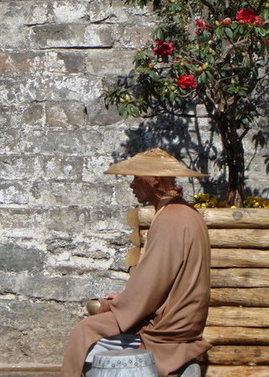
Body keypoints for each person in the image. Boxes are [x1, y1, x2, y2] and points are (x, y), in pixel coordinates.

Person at [61, 148, 212, 377]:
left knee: (85, 331)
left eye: (137, 178)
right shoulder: (185, 213)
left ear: (155, 180)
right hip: (183, 320)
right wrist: (123, 300)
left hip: (167, 330)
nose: (132, 185)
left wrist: (112, 306)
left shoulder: (171, 219)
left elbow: (151, 285)